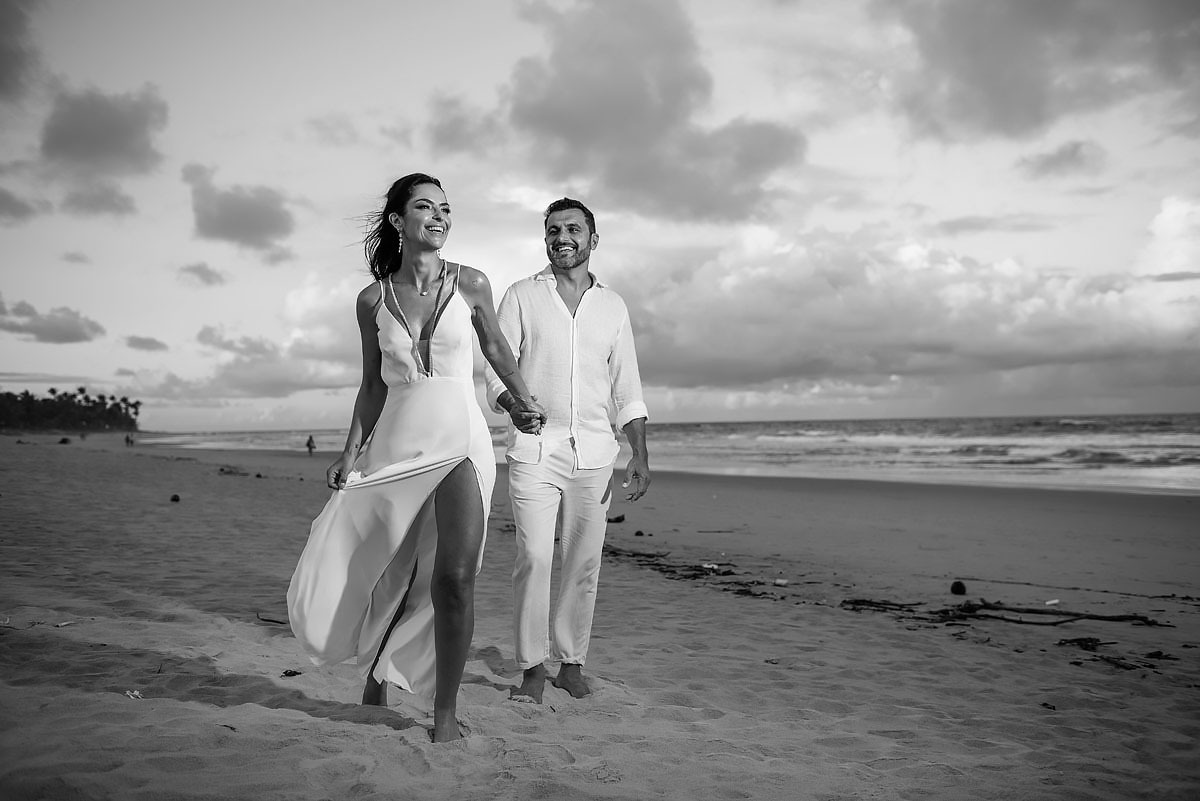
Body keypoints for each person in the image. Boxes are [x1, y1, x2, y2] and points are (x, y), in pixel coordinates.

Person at [287, 173, 543, 743]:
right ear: (398, 221)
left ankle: (444, 712)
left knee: (454, 578)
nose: (440, 216)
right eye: (425, 207)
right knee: (391, 569)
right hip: (397, 443)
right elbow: (373, 385)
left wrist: (525, 402)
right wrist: (350, 452)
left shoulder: (472, 282)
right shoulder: (372, 300)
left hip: (462, 441)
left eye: (446, 208)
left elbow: (496, 348)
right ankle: (377, 670)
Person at [486, 197, 650, 704]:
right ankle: (533, 668)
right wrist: (512, 405)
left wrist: (638, 452)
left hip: (596, 453)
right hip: (535, 449)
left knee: (583, 562)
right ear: (546, 239)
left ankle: (571, 663)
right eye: (554, 229)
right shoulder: (520, 296)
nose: (563, 237)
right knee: (533, 557)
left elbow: (626, 383)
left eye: (573, 229)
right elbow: (494, 367)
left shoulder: (613, 305)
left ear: (592, 240)